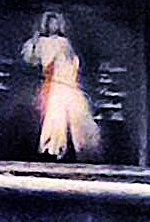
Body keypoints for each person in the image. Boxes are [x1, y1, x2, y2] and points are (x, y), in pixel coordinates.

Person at [20, 10, 103, 161]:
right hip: (55, 85)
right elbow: (33, 59)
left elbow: (72, 63)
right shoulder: (44, 42)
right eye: (51, 23)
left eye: (56, 22)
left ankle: (84, 150)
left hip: (68, 84)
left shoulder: (64, 43)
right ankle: (52, 149)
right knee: (54, 118)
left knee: (78, 117)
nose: (54, 26)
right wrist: (35, 39)